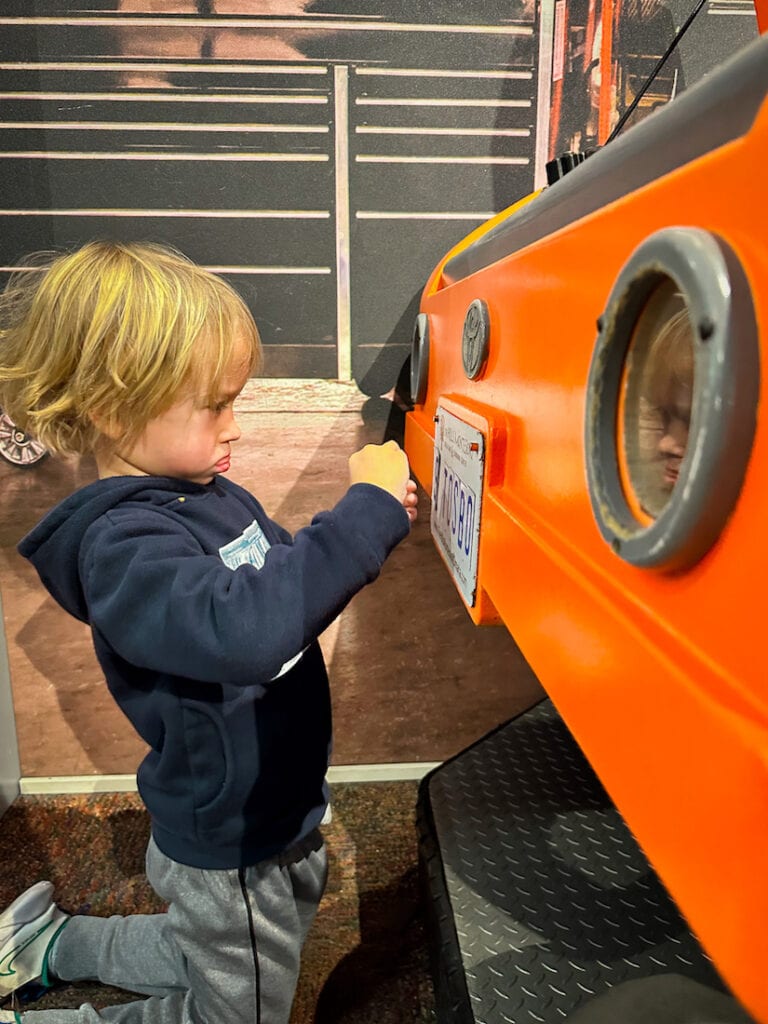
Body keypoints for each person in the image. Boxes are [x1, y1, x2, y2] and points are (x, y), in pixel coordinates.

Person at [0, 240, 418, 1024]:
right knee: (238, 1013)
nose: (236, 425)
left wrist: (362, 523)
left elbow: (269, 578)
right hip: (232, 834)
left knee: (215, 949)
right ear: (111, 408)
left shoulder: (204, 492)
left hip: (269, 800)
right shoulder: (123, 549)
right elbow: (248, 629)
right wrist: (362, 520)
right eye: (215, 404)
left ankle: (50, 946)